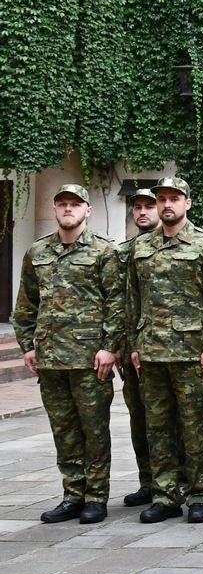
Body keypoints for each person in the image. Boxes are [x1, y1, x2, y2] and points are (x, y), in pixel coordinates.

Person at [15, 184, 123, 525]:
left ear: (87, 210)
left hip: (90, 359)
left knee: (93, 429)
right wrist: (28, 346)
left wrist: (110, 348)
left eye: (74, 204)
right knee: (63, 429)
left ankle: (96, 496)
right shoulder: (38, 252)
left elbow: (117, 302)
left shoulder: (104, 251)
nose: (67, 209)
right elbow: (26, 303)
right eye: (61, 204)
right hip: (51, 358)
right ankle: (72, 494)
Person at [126, 176, 203, 523]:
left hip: (191, 352)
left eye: (174, 198)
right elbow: (132, 301)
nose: (167, 205)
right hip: (151, 351)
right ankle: (166, 493)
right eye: (161, 199)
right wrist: (134, 344)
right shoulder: (141, 247)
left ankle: (198, 494)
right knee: (157, 426)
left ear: (188, 203)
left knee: (193, 425)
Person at [118, 188, 161, 508]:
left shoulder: (191, 244)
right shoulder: (122, 253)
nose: (143, 211)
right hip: (135, 349)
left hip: (173, 349)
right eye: (138, 207)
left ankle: (178, 481)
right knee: (141, 418)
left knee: (171, 418)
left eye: (150, 205)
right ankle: (149, 481)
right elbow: (122, 303)